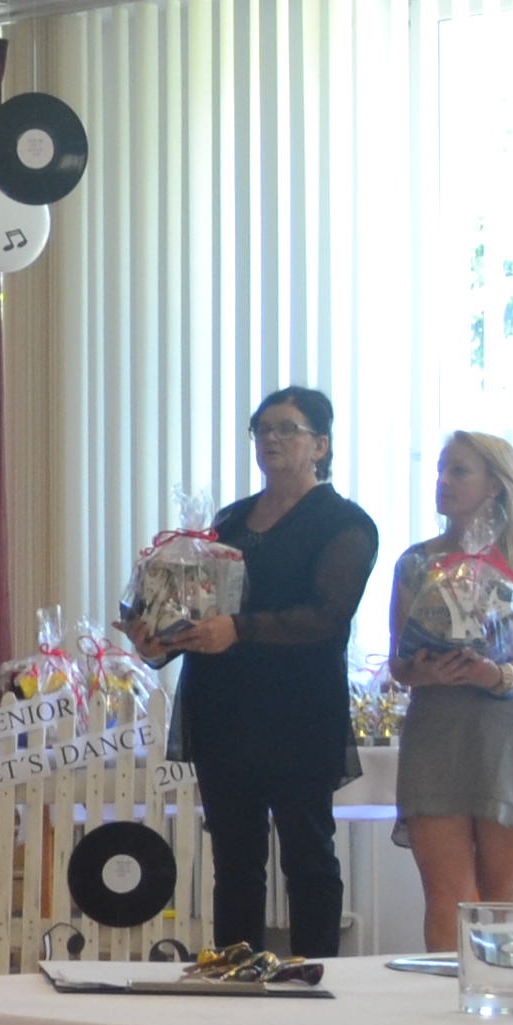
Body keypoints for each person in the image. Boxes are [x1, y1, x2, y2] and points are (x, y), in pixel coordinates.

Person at [124, 385, 379, 955]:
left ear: (321, 445)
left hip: (299, 712)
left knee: (308, 857)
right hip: (223, 710)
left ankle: (315, 976)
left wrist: (239, 630)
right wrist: (157, 639)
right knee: (234, 862)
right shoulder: (230, 520)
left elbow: (327, 616)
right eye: (262, 429)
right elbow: (198, 610)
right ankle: (234, 975)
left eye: (287, 428)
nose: (271, 439)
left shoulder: (345, 523)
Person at [387, 429, 513, 947]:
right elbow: (399, 663)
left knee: (505, 893)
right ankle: (445, 995)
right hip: (438, 729)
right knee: (446, 893)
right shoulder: (417, 562)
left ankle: (507, 989)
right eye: (440, 470)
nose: (443, 481)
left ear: (496, 483)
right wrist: (429, 671)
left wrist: (502, 675)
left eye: (459, 471)